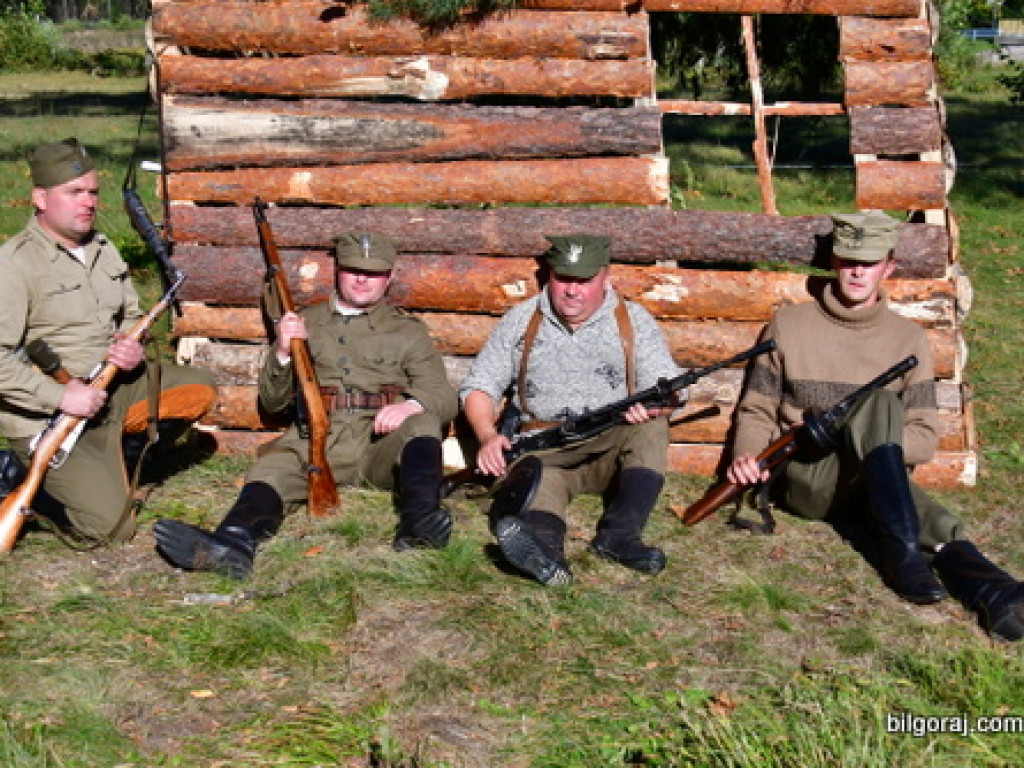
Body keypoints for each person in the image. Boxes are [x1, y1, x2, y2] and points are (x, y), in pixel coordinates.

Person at [726, 211, 1024, 641]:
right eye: (849, 260)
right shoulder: (790, 325)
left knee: (886, 439)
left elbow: (923, 438)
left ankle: (994, 591)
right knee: (879, 403)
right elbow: (757, 407)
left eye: (869, 262)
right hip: (810, 477)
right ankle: (902, 559)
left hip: (873, 483)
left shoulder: (908, 340)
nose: (858, 271)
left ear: (889, 267)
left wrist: (866, 436)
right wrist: (746, 457)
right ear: (834, 262)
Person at [153, 231, 459, 578]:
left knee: (423, 423)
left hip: (378, 449)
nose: (362, 279)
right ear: (337, 271)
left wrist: (410, 405)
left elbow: (443, 395)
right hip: (316, 445)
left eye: (373, 273)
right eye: (352, 269)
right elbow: (273, 402)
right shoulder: (305, 322)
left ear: (388, 277)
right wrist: (283, 352)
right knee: (274, 467)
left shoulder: (407, 331)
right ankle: (233, 544)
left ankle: (419, 526)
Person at [0, 138, 217, 547]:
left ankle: (119, 455)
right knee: (112, 529)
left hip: (112, 390)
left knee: (199, 388)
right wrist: (60, 397)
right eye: (74, 193)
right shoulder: (13, 265)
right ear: (41, 198)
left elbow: (131, 318)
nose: (88, 202)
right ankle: (35, 487)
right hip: (52, 417)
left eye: (93, 192)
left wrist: (132, 345)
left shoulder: (102, 248)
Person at [460, 234, 685, 586]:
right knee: (538, 484)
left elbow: (672, 389)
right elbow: (479, 387)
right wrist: (489, 437)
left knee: (651, 430)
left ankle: (620, 536)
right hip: (545, 449)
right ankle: (545, 552)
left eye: (584, 281)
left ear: (606, 279)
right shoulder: (521, 321)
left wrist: (653, 407)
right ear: (549, 276)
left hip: (611, 447)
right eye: (564, 279)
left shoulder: (633, 321)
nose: (572, 290)